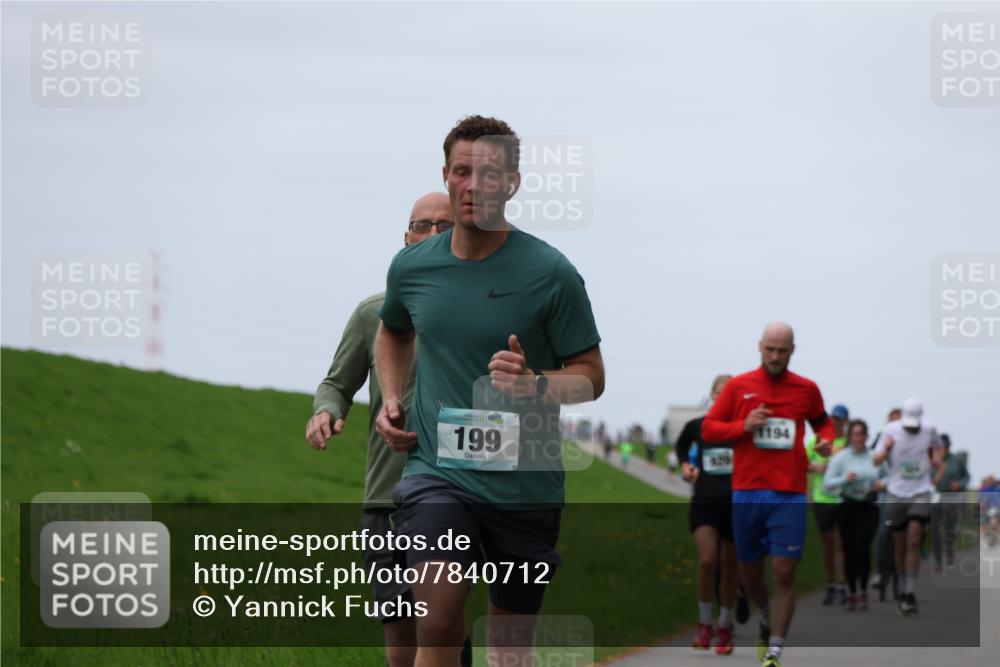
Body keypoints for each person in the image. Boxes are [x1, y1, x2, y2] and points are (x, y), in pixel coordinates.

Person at [375, 115, 604, 667]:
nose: (473, 186)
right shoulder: (412, 268)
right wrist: (389, 397)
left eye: (489, 174)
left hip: (526, 488)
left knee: (509, 652)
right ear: (446, 176)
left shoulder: (551, 273)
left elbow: (592, 376)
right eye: (461, 172)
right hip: (437, 474)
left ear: (513, 183)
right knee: (437, 613)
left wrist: (537, 384)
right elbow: (392, 330)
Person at [304, 192, 458, 667]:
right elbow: (336, 383)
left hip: (459, 493)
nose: (432, 235)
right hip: (385, 497)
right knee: (401, 643)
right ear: (406, 238)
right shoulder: (373, 313)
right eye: (422, 225)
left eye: (445, 227)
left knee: (442, 623)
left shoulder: (481, 314)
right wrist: (324, 411)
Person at [702, 322, 835, 667]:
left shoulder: (806, 389)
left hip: (789, 494)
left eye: (782, 351)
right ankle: (764, 613)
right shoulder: (738, 387)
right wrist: (742, 427)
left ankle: (775, 648)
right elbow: (709, 429)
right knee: (750, 574)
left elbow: (823, 422)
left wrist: (826, 442)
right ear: (759, 347)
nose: (775, 357)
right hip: (747, 492)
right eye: (770, 350)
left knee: (784, 571)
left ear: (793, 351)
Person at [676, 374, 738, 655]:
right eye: (720, 393)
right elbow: (682, 448)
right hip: (705, 501)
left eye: (731, 394)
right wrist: (686, 467)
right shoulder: (697, 427)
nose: (725, 398)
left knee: (729, 568)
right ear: (713, 395)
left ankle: (724, 625)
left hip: (738, 504)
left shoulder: (742, 429)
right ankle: (704, 624)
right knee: (707, 560)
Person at [872, 398, 943, 616]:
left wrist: (936, 460)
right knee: (899, 544)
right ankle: (902, 587)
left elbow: (939, 448)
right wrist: (887, 450)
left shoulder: (930, 429)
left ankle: (910, 592)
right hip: (896, 492)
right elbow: (875, 460)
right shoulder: (890, 430)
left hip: (920, 491)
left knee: (914, 537)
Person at [822, 419, 887, 611]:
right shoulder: (840, 458)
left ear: (867, 437)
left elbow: (889, 476)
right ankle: (851, 591)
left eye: (862, 434)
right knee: (848, 549)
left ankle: (863, 590)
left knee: (862, 546)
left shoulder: (875, 456)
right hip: (847, 506)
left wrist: (881, 484)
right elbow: (827, 483)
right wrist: (845, 478)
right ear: (850, 437)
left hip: (868, 506)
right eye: (855, 434)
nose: (859, 438)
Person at [805, 404, 849, 605]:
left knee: (841, 543)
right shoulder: (816, 440)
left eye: (839, 419)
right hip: (822, 498)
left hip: (842, 498)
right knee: (828, 545)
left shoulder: (847, 444)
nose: (835, 422)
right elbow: (801, 462)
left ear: (846, 422)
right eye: (833, 418)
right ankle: (830, 583)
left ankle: (842, 585)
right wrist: (814, 466)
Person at [870, 407, 902, 598]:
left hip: (907, 496)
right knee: (883, 531)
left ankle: (905, 575)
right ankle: (880, 573)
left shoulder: (912, 442)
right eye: (891, 421)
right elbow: (871, 463)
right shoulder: (881, 440)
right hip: (886, 497)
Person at [930, 433, 970, 571]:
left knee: (949, 529)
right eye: (940, 447)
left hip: (952, 498)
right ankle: (937, 561)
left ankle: (950, 554)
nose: (943, 449)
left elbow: (966, 476)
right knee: (934, 530)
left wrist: (959, 484)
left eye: (945, 447)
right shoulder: (931, 461)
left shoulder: (957, 460)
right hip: (935, 498)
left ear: (948, 447)